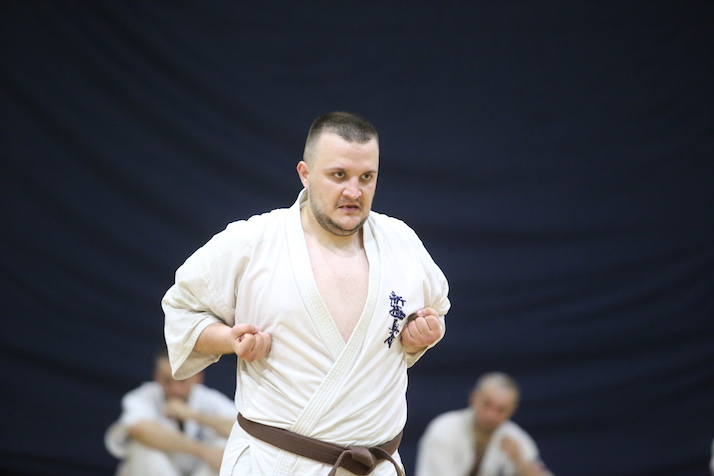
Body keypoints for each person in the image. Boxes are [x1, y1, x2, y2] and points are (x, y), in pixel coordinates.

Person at [162, 111, 450, 476]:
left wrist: (421, 336)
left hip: (374, 466)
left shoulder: (402, 243)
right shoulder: (253, 241)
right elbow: (182, 310)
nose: (354, 192)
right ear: (305, 174)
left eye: (366, 177)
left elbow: (434, 311)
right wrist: (229, 339)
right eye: (339, 175)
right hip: (274, 464)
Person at [104, 347, 237, 476]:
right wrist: (203, 451)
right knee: (143, 448)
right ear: (157, 377)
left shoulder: (209, 399)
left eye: (182, 380)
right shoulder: (142, 397)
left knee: (228, 449)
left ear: (197, 376)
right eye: (167, 381)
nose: (175, 389)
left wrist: (194, 416)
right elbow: (140, 429)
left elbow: (242, 428)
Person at [415, 372, 552, 476]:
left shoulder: (514, 439)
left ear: (512, 411)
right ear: (474, 397)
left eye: (501, 410)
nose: (491, 415)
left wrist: (520, 462)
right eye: (487, 404)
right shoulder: (445, 429)